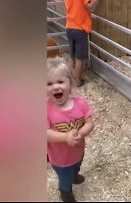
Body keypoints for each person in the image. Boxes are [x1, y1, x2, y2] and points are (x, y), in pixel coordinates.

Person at [46, 56, 95, 202]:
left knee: (77, 166)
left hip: (78, 150)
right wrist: (65, 137)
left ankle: (74, 175)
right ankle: (65, 193)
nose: (55, 87)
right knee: (65, 179)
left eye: (60, 81)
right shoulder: (45, 109)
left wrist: (80, 133)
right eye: (49, 83)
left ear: (70, 82)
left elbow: (90, 123)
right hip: (60, 158)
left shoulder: (80, 104)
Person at [64, 0, 98, 87]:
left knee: (72, 56)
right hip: (80, 28)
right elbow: (90, 7)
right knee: (80, 59)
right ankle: (76, 81)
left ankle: (70, 79)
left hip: (69, 27)